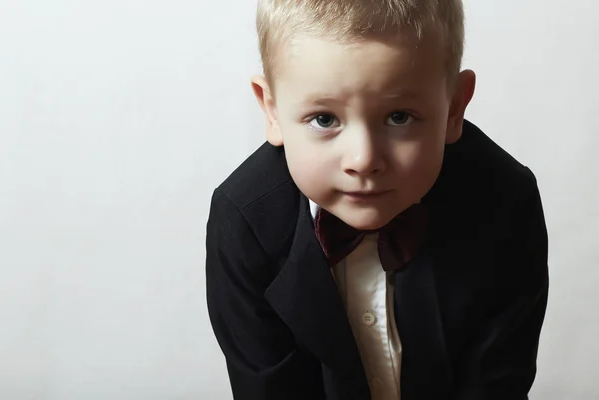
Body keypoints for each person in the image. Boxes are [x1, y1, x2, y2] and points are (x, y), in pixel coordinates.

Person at [205, 1, 549, 399]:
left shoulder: (504, 203)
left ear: (454, 107)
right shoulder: (244, 222)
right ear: (272, 111)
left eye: (399, 117)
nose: (364, 159)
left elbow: (497, 382)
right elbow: (268, 388)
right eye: (324, 119)